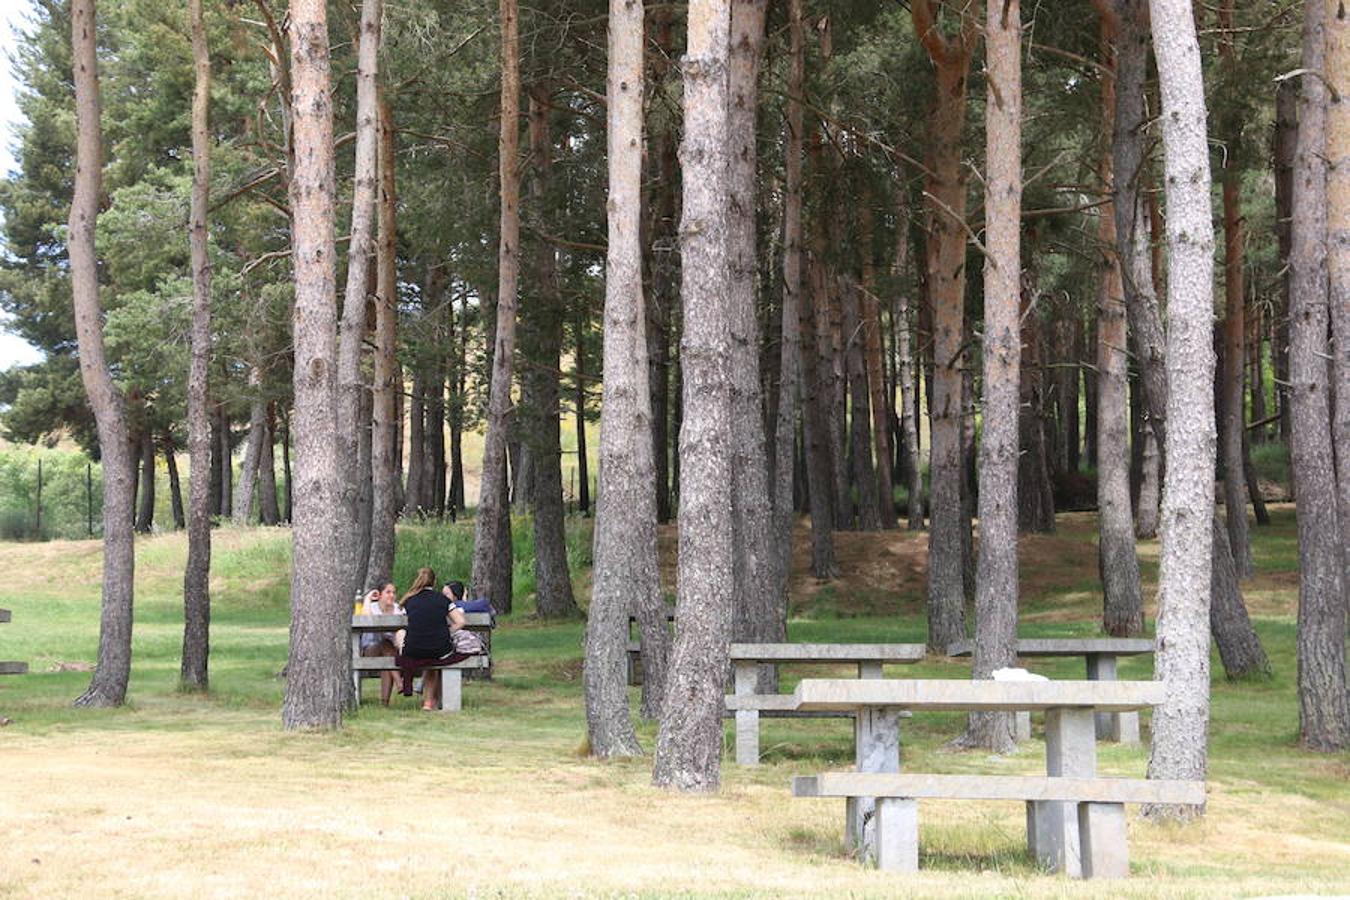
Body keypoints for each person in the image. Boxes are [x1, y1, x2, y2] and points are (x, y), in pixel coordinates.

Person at [399, 567, 481, 710]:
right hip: (438, 649)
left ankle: (425, 698)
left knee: (424, 652)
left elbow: (404, 620)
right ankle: (430, 702)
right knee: (435, 656)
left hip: (413, 649)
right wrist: (447, 632)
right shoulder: (442, 599)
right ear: (434, 582)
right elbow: (461, 622)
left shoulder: (409, 601)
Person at [360, 581, 404, 705]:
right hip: (371, 649)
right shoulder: (372, 607)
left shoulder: (397, 609)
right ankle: (399, 682)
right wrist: (368, 598)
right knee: (385, 644)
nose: (392, 595)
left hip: (391, 651)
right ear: (380, 594)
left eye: (394, 593)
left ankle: (384, 703)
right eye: (388, 592)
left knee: (387, 659)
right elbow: (365, 619)